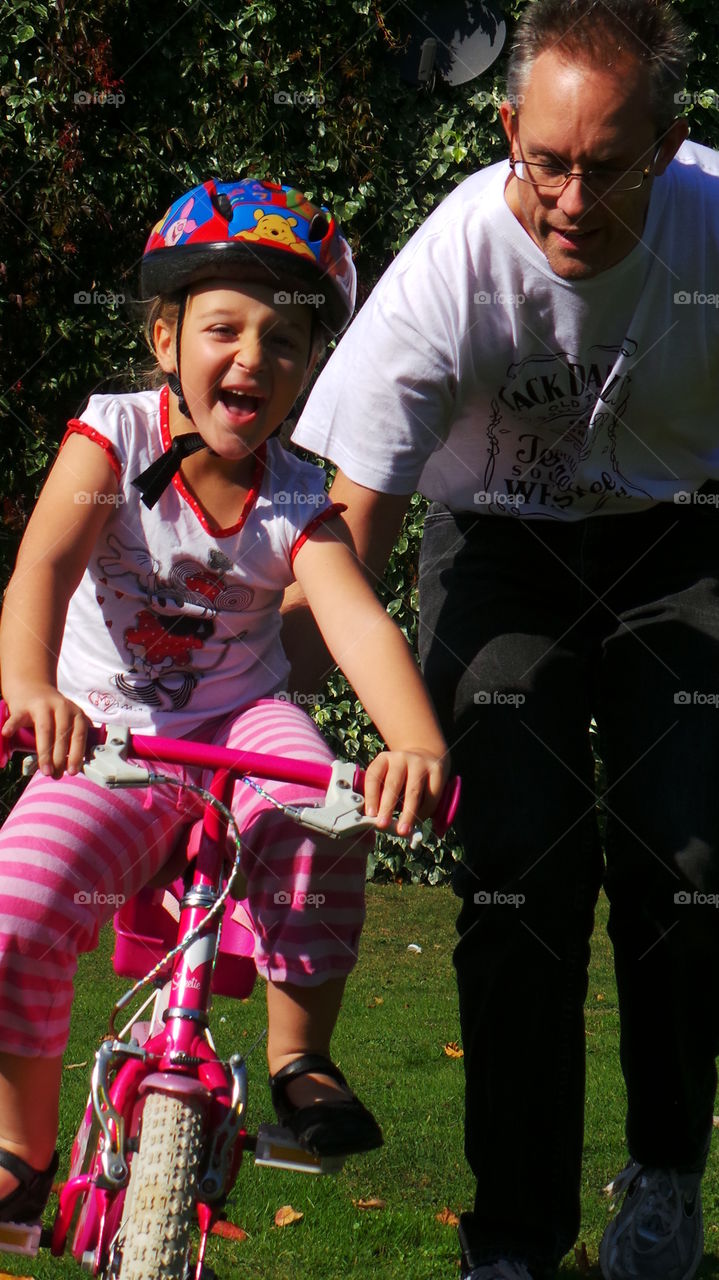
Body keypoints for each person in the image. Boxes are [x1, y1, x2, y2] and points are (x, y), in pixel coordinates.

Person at [290, 2, 719, 1277]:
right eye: (545, 160)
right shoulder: (451, 265)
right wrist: (254, 699)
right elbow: (346, 533)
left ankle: (659, 1188)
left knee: (688, 852)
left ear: (668, 142)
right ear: (504, 133)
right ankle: (514, 1236)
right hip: (497, 549)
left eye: (606, 162)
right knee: (517, 857)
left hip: (680, 541)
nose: (571, 198)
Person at [0, 177, 449, 1233]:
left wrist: (414, 741)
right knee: (18, 905)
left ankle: (301, 1065)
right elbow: (42, 569)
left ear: (305, 373)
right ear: (164, 339)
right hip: (110, 733)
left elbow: (354, 621)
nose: (253, 355)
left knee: (319, 803)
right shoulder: (108, 439)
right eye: (223, 327)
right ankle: (21, 1145)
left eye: (285, 341)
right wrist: (28, 688)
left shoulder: (297, 491)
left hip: (240, 727)